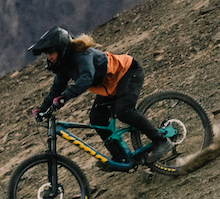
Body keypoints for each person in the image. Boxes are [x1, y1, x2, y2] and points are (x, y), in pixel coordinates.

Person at [29, 26, 169, 168]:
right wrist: (43, 109)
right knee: (97, 118)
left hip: (127, 73)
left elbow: (86, 77)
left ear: (61, 48)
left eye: (51, 52)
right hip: (110, 86)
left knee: (124, 111)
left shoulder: (82, 55)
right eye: (47, 54)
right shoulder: (64, 67)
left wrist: (65, 96)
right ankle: (120, 157)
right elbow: (56, 89)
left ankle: (161, 140)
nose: (49, 57)